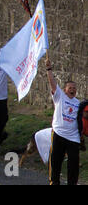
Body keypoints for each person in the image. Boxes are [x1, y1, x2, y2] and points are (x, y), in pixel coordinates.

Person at [45, 57, 81, 185]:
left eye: (74, 88)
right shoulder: (59, 97)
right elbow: (52, 83)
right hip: (59, 134)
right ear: (65, 90)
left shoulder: (79, 103)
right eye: (70, 87)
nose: (72, 89)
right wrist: (49, 69)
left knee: (73, 164)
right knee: (55, 161)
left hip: (73, 138)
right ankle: (54, 182)